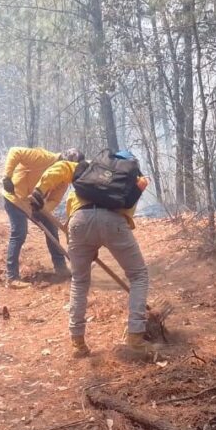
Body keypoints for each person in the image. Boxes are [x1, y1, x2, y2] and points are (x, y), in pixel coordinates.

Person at [35, 150, 150, 358]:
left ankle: (77, 342)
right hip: (113, 223)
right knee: (138, 276)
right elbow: (127, 211)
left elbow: (61, 168)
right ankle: (135, 337)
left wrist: (39, 190)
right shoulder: (133, 180)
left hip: (79, 223)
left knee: (79, 281)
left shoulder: (89, 168)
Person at [1, 147, 83, 288]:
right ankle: (12, 277)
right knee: (19, 233)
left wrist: (42, 208)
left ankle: (61, 268)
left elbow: (54, 200)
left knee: (51, 229)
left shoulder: (64, 177)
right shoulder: (42, 157)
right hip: (15, 197)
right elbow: (15, 152)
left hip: (35, 204)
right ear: (63, 162)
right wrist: (7, 176)